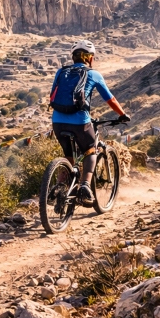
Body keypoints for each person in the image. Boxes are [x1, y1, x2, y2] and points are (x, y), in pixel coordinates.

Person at [50, 40, 129, 207]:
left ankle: (59, 186)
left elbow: (53, 95)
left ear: (74, 57)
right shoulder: (94, 74)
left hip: (57, 121)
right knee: (90, 149)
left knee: (69, 155)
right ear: (90, 58)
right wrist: (122, 115)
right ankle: (85, 185)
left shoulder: (60, 72)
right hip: (80, 121)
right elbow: (111, 99)